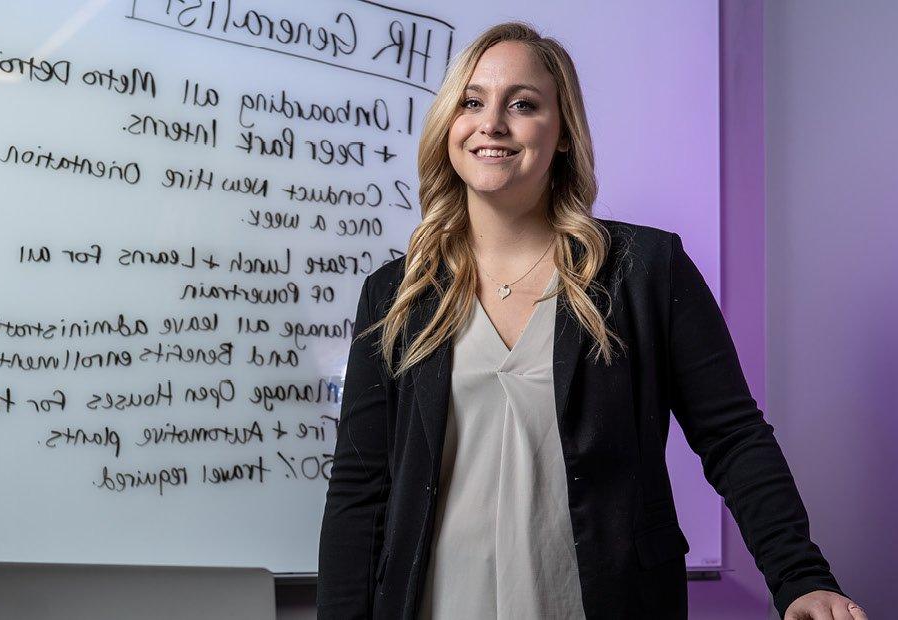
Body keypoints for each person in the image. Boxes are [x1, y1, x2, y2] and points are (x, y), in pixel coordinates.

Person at [317, 22, 865, 620]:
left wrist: (800, 577)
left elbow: (733, 437)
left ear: (564, 136)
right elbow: (358, 488)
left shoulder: (645, 270)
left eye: (522, 104)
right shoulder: (396, 295)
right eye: (472, 102)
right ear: (450, 124)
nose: (492, 123)